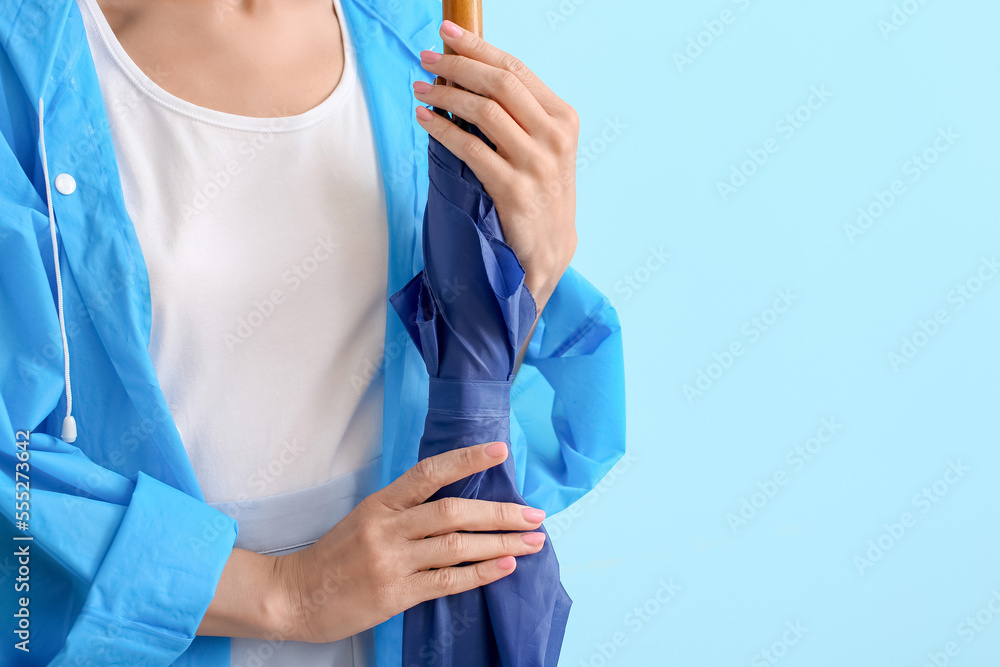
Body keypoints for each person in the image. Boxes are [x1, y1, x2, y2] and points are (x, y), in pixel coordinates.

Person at [0, 0, 626, 665]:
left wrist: (534, 272)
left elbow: (500, 430)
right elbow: (17, 469)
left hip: (408, 638)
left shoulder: (412, 39)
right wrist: (285, 592)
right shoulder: (27, 65)